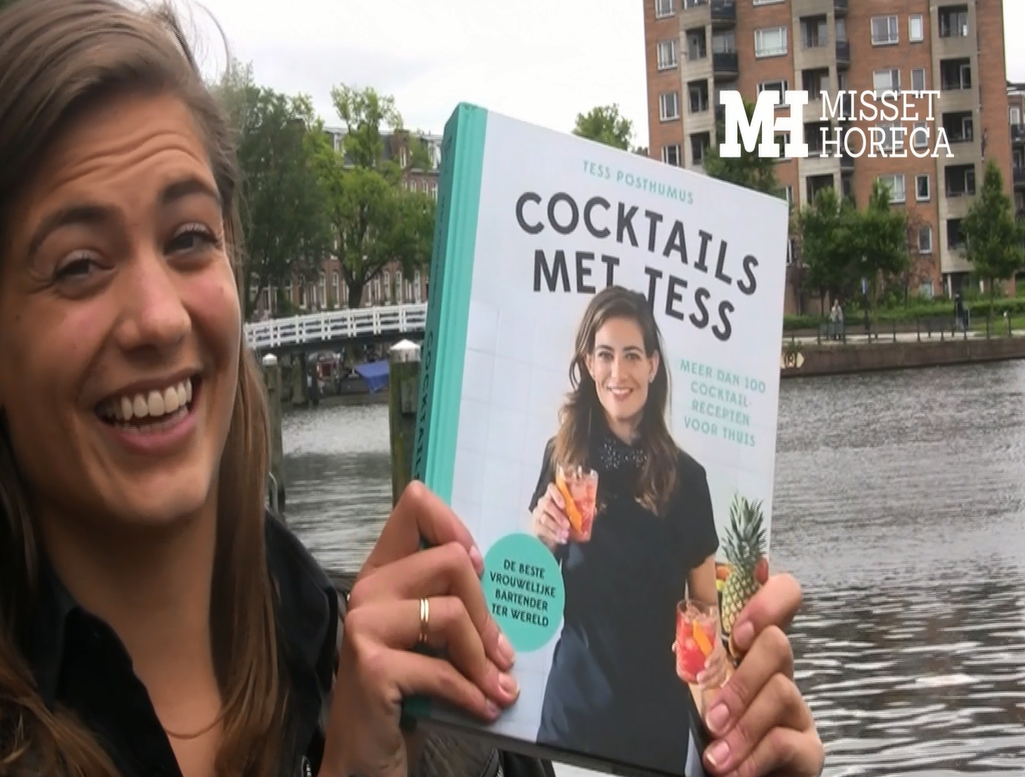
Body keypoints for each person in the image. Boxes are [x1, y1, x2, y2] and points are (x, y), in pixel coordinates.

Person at [0, 2, 824, 777]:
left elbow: (681, 608)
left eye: (188, 237)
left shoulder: (389, 671)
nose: (157, 316)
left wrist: (736, 732)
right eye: (78, 264)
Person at [529, 286, 800, 775]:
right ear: (589, 365)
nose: (618, 372)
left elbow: (705, 605)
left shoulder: (687, 479)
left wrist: (715, 655)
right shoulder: (562, 461)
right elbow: (531, 606)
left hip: (655, 732)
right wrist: (540, 539)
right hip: (570, 725)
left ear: (653, 365)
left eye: (632, 355)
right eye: (605, 355)